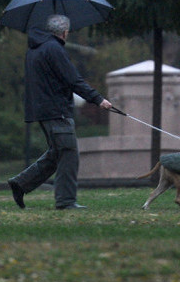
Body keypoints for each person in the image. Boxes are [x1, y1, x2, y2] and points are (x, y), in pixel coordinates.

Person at [8, 14, 112, 209]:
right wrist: (98, 99)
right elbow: (72, 79)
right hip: (57, 110)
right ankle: (65, 201)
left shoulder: (34, 49)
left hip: (41, 110)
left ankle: (21, 183)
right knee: (69, 154)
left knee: (58, 153)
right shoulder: (54, 48)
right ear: (64, 32)